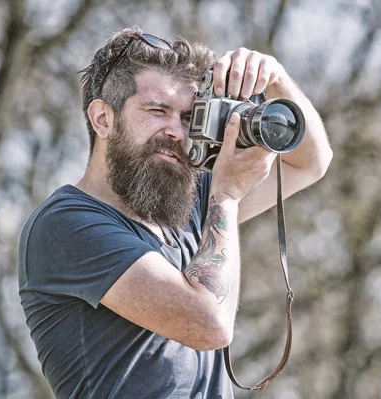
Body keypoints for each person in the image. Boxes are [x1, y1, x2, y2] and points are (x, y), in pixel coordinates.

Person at [18, 26, 332, 398]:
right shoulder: (67, 224)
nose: (177, 132)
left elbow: (311, 161)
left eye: (187, 118)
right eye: (157, 110)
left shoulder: (187, 200)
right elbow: (208, 324)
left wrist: (275, 78)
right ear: (102, 119)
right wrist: (227, 195)